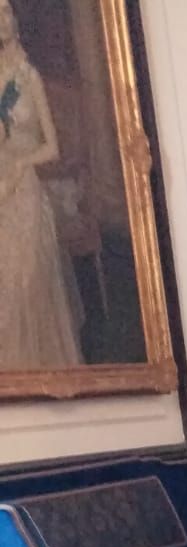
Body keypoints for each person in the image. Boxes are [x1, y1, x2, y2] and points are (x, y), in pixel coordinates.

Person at [0, 0, 82, 370]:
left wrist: (20, 163)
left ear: (16, 18)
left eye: (4, 11)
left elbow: (52, 147)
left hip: (26, 189)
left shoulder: (30, 77)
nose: (0, 21)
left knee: (23, 286)